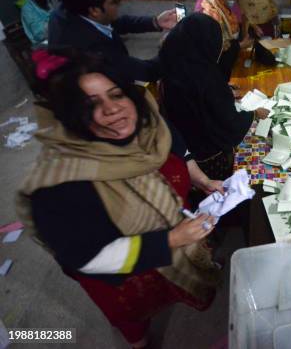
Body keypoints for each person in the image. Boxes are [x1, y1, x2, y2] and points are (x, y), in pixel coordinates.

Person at [17, 52, 224, 349]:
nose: (112, 109)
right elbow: (87, 257)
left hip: (171, 240)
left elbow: (173, 144)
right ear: (70, 116)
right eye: (91, 105)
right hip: (123, 272)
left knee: (175, 285)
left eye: (116, 94)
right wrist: (171, 240)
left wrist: (200, 179)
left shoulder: (146, 123)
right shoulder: (60, 186)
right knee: (135, 315)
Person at [159, 14, 268, 180]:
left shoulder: (175, 65)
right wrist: (254, 114)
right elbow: (230, 124)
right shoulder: (206, 79)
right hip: (209, 161)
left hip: (185, 148)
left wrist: (223, 90)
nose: (222, 47)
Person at [48, 0, 177, 83]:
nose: (119, 6)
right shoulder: (92, 51)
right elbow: (148, 72)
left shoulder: (69, 9)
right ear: (94, 10)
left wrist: (156, 22)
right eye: (114, 3)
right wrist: (169, 47)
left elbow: (115, 23)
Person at [200, 0, 251, 80]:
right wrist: (240, 45)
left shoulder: (225, 10)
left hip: (230, 65)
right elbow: (218, 50)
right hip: (218, 73)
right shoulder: (211, 16)